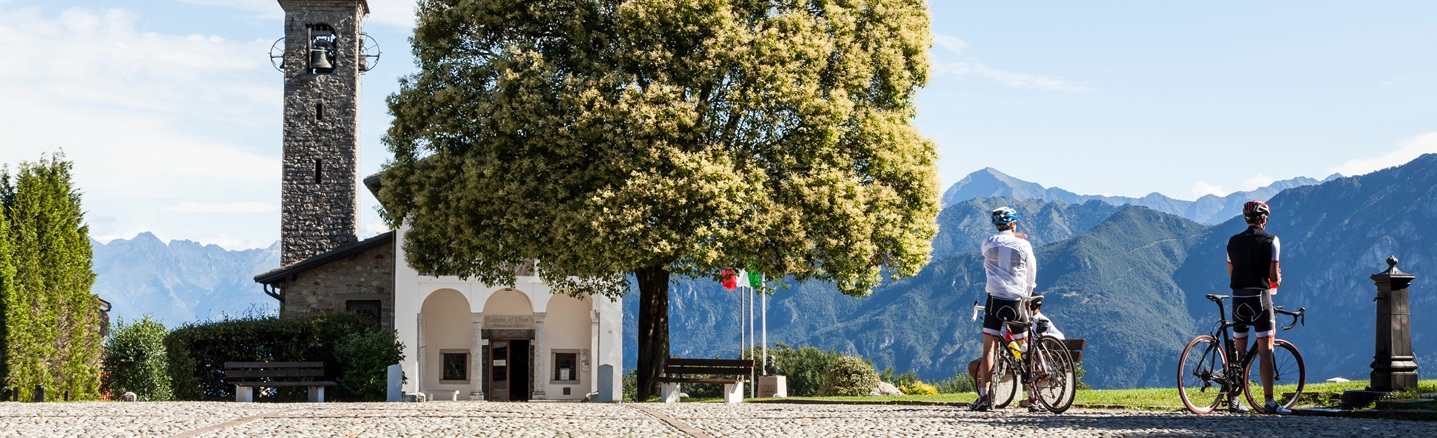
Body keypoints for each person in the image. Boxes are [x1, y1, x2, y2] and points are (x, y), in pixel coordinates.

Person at [970, 206, 1037, 412]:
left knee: (988, 349)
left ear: (996, 225)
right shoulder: (1024, 245)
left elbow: (1000, 242)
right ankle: (1033, 397)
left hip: (995, 300)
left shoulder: (987, 243)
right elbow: (1031, 273)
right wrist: (1027, 294)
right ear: (1013, 223)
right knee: (1025, 350)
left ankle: (984, 397)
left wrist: (1011, 234)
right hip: (1017, 300)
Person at [1226, 200, 1288, 415]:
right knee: (1266, 350)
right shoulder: (1272, 240)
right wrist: (1278, 279)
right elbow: (1273, 276)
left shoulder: (1232, 241)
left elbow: (1231, 273)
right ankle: (1269, 402)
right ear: (1263, 218)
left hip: (1238, 299)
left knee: (1239, 352)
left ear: (1246, 219)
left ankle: (1233, 398)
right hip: (1260, 299)